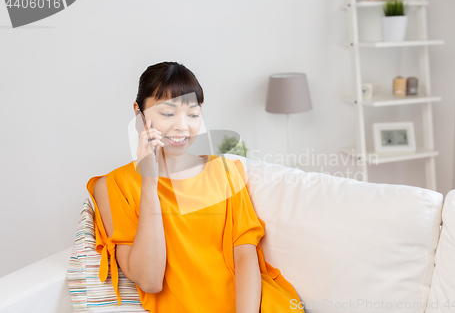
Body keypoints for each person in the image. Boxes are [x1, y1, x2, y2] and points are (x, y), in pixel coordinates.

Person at [86, 61, 305, 313]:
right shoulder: (113, 186)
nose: (182, 126)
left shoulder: (225, 171)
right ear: (139, 112)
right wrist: (149, 182)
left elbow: (245, 256)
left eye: (192, 113)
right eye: (168, 113)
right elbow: (150, 280)